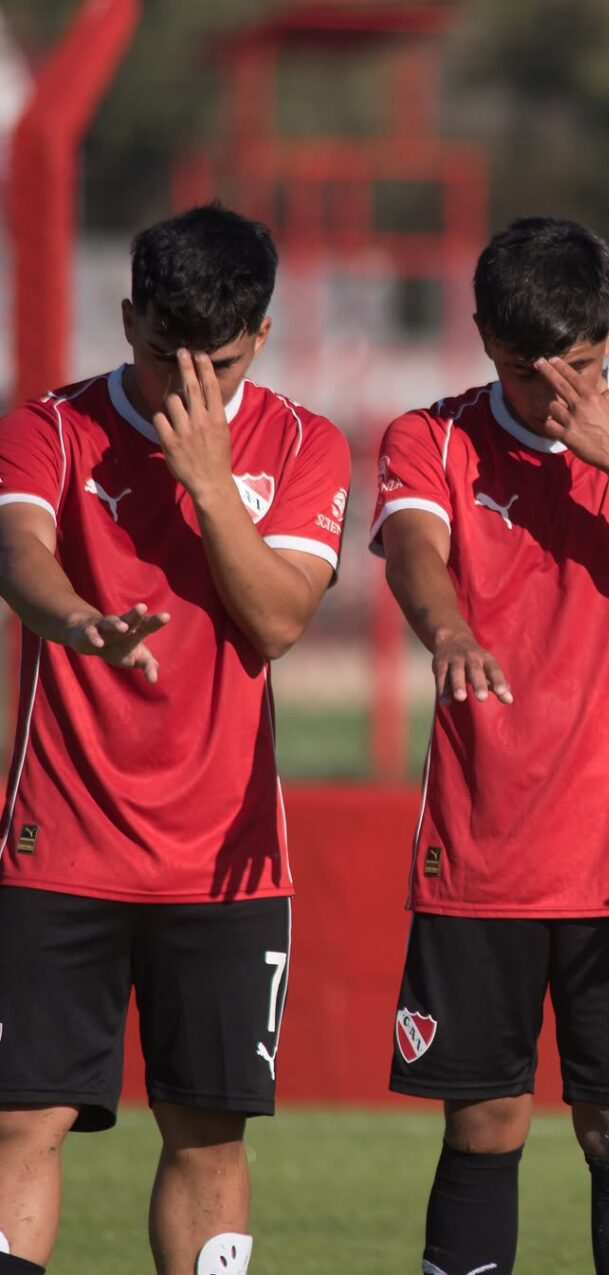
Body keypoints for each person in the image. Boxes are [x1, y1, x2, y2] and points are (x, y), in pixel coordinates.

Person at [370, 216, 609, 1275]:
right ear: (485, 338)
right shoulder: (431, 437)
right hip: (478, 851)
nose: (551, 396)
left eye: (575, 367)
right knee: (483, 1122)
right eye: (525, 373)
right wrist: (448, 630)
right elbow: (414, 548)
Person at [0, 203, 350, 1275]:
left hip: (223, 859)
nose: (187, 389)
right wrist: (78, 623)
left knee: (207, 1133)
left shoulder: (306, 443)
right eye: (163, 358)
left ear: (262, 335)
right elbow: (17, 550)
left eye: (220, 365)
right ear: (126, 321)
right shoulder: (50, 425)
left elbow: (279, 621)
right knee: (22, 1118)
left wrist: (208, 485)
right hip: (57, 843)